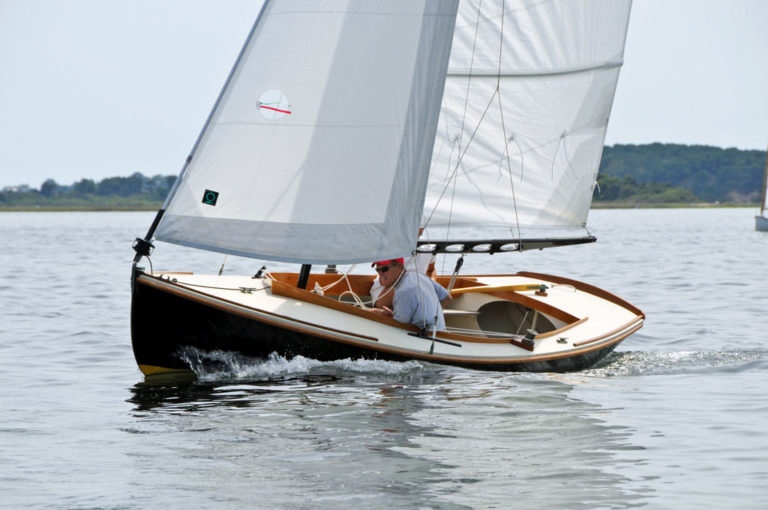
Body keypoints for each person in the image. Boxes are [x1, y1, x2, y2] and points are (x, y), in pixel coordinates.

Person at [368, 258, 450, 331]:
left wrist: (382, 315)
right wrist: (435, 319)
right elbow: (447, 297)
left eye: (384, 269)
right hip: (440, 333)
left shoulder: (403, 291)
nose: (380, 273)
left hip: (425, 340)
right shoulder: (419, 276)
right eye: (377, 270)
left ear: (400, 267)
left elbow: (399, 327)